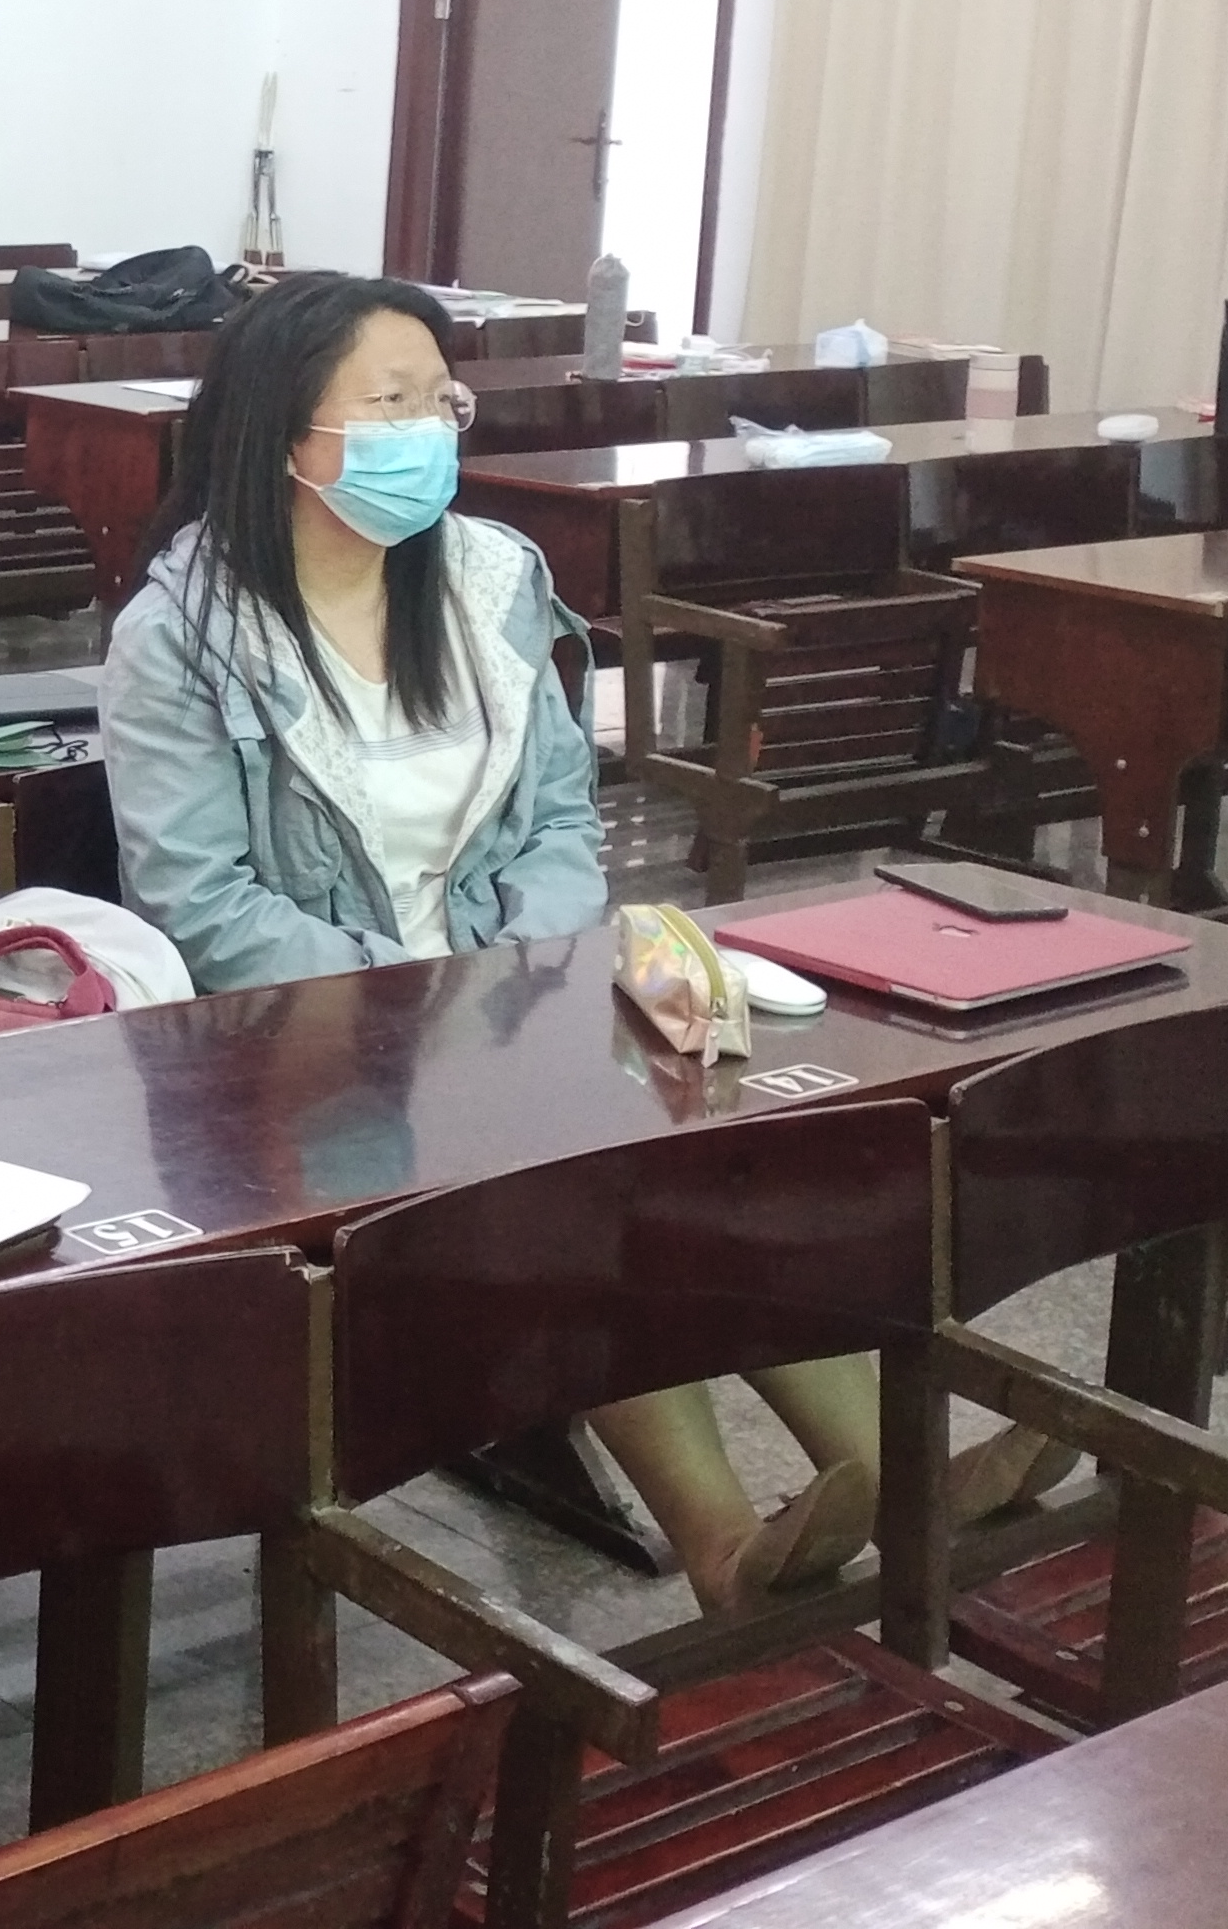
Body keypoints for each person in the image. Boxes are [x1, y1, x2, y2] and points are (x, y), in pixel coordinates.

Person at [99, 273, 1061, 1610]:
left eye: (439, 403)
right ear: (282, 437)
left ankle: (905, 1476)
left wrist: (519, 980)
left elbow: (559, 816)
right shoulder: (183, 635)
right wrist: (416, 1010)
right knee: (573, 1191)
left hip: (509, 1002)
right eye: (388, 404)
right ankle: (725, 1544)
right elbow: (205, 905)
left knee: (702, 1157)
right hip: (311, 1055)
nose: (425, 432)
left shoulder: (487, 581)